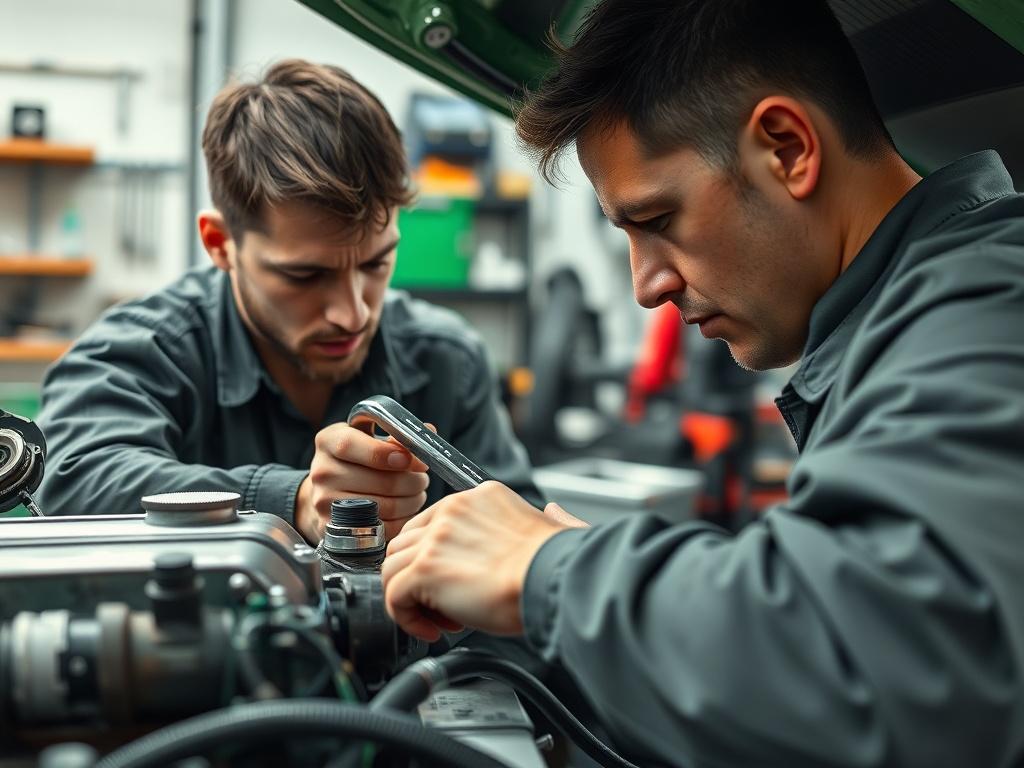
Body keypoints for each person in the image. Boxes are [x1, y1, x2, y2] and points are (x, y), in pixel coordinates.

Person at [379, 2, 1024, 766]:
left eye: (657, 218)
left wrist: (552, 573)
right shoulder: (906, 319)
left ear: (786, 148)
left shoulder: (983, 306)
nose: (645, 285)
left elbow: (892, 674)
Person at [36, 59, 536, 542]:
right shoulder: (138, 351)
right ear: (220, 243)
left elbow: (523, 544)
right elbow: (72, 478)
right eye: (305, 274)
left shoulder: (450, 360)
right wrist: (288, 502)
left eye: (375, 264)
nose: (353, 313)